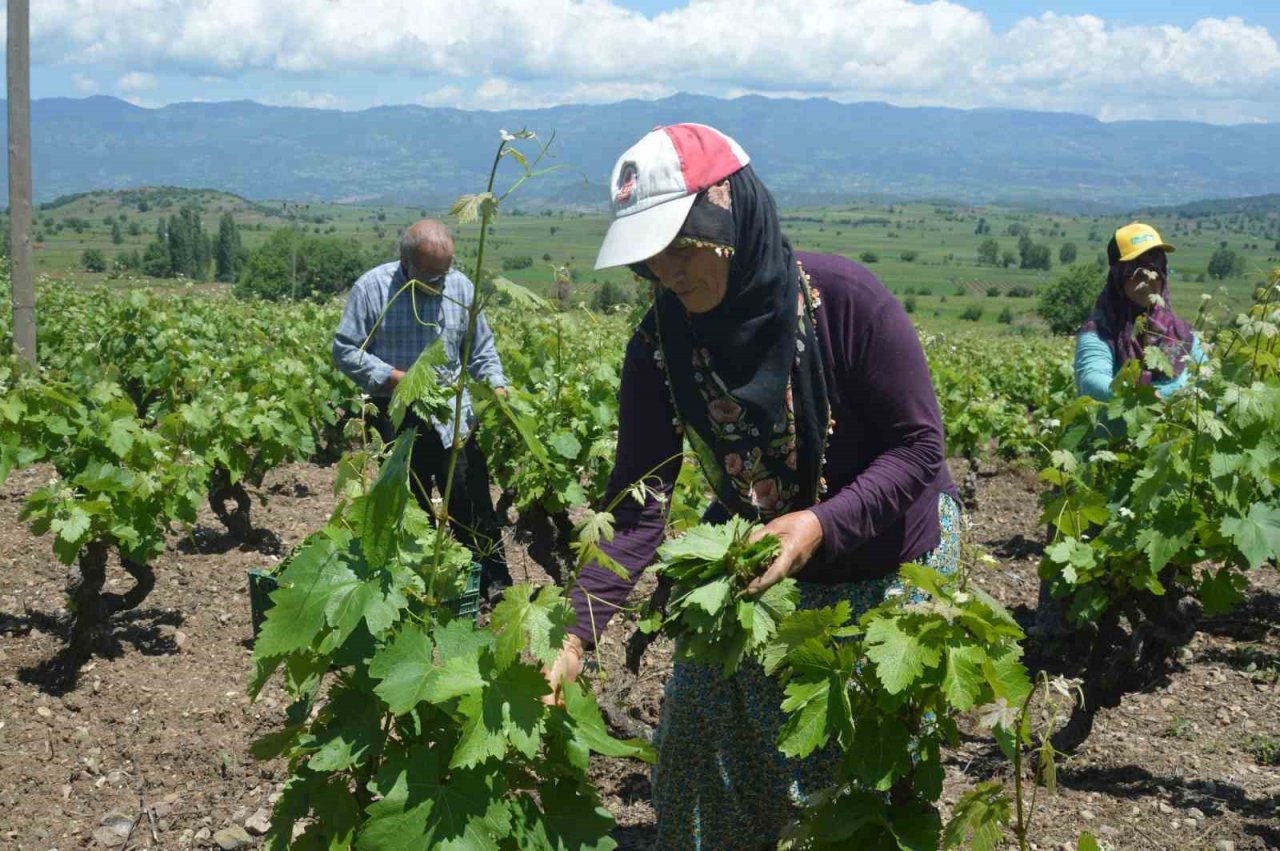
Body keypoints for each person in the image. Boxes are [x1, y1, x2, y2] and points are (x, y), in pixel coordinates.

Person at [543, 124, 961, 850]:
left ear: (728, 214)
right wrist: (575, 638)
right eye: (650, 256)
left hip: (889, 554)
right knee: (700, 737)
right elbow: (639, 507)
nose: (668, 271)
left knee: (847, 775)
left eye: (681, 244)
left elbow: (919, 447)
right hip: (760, 556)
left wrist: (818, 523)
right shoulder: (657, 350)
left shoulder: (847, 302)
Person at [332, 219, 513, 604]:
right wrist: (397, 378)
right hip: (394, 411)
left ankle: (493, 583)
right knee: (407, 507)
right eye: (429, 275)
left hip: (452, 416)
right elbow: (345, 350)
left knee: (470, 498)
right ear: (405, 261)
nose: (437, 284)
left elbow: (480, 350)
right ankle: (416, 588)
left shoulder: (462, 287)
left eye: (443, 274)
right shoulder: (373, 288)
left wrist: (495, 383)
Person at [1075, 222, 1206, 401]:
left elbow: (1206, 380)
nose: (1147, 281)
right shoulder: (1100, 331)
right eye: (1136, 272)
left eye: (1155, 269)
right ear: (1118, 277)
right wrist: (1138, 396)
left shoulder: (1182, 334)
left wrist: (1165, 394)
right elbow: (1091, 380)